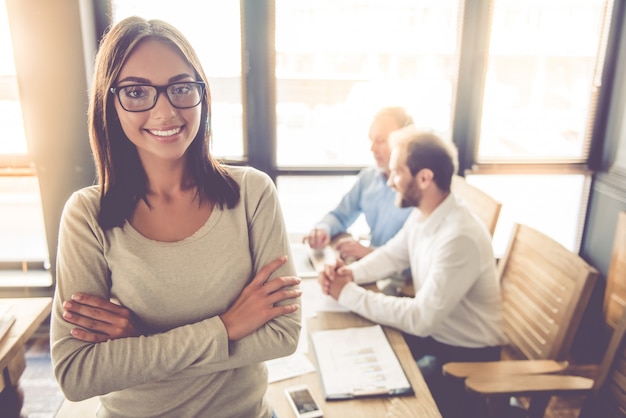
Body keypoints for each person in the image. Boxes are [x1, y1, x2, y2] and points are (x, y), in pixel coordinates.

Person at [50, 16, 301, 418]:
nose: (166, 111)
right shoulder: (87, 216)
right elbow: (77, 373)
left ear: (202, 93)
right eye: (136, 92)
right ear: (109, 103)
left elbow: (282, 335)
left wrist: (141, 343)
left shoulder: (252, 193)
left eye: (182, 88)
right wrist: (229, 326)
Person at [318, 128, 504, 418]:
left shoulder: (459, 237)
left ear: (425, 178)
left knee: (379, 403)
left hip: (464, 357)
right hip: (437, 336)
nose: (390, 181)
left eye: (396, 173)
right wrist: (349, 275)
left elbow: (420, 319)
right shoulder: (425, 213)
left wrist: (348, 294)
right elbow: (392, 255)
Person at [303, 107, 413, 262]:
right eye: (371, 140)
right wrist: (323, 229)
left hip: (403, 280)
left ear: (404, 142)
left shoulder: (419, 190)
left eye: (381, 141)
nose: (372, 148)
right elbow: (341, 215)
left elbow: (416, 256)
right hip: (372, 272)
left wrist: (369, 253)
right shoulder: (368, 178)